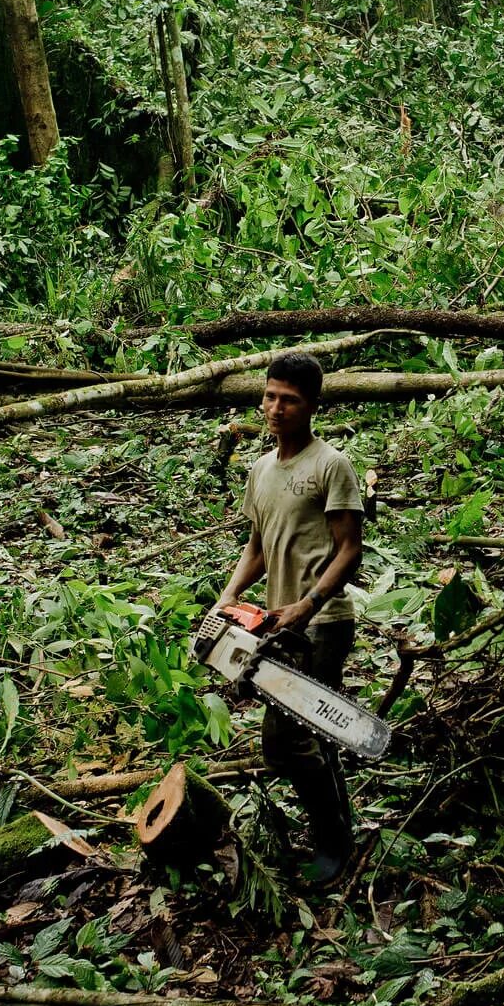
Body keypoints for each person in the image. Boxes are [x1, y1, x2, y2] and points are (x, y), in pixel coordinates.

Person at [215, 351, 365, 883]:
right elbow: (256, 546)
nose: (277, 408)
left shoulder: (331, 465)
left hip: (322, 623)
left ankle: (332, 844)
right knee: (316, 733)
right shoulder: (260, 469)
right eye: (271, 396)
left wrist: (309, 604)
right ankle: (340, 829)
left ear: (312, 406)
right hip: (276, 622)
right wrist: (229, 594)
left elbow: (350, 548)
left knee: (286, 742)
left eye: (291, 401)